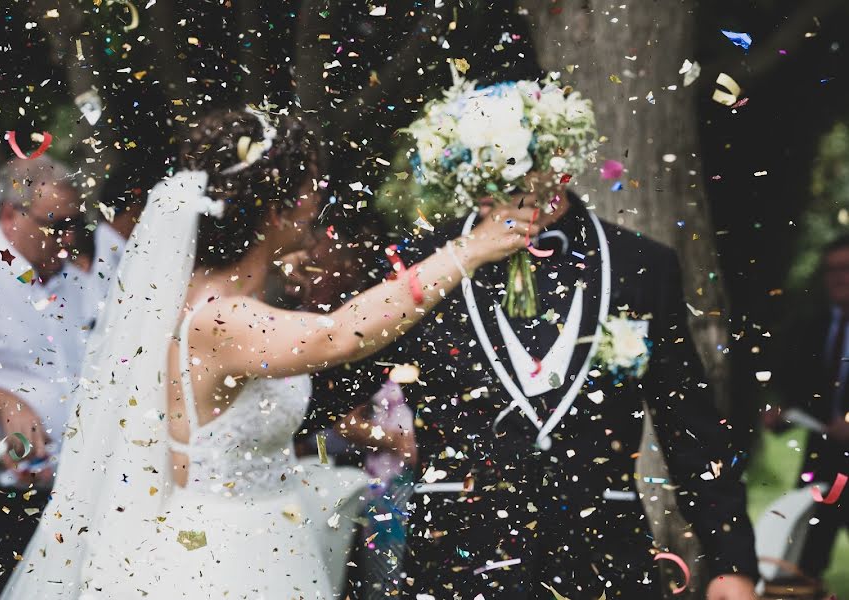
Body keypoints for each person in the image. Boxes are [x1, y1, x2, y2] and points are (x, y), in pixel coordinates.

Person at [0, 107, 540, 600]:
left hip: (261, 531)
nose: (316, 203)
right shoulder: (223, 320)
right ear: (275, 211)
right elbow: (343, 335)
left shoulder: (211, 295)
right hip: (225, 556)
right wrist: (472, 247)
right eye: (308, 189)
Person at [315, 185, 760, 599]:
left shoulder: (640, 264)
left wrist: (730, 559)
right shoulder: (421, 261)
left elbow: (690, 427)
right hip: (458, 560)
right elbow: (333, 384)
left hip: (604, 558)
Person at [0, 156, 124, 599]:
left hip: (79, 500)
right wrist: (4, 403)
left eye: (76, 225)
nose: (67, 239)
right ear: (11, 215)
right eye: (55, 224)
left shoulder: (78, 281)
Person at [767, 234, 849, 582]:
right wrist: (780, 413)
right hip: (824, 460)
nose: (838, 277)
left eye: (846, 268)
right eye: (831, 270)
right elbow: (800, 389)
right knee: (804, 559)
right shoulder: (813, 326)